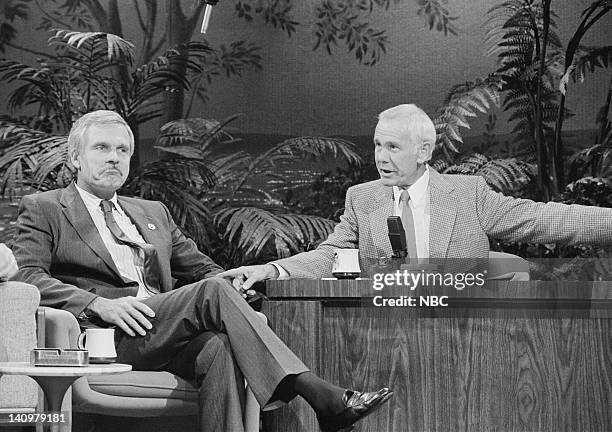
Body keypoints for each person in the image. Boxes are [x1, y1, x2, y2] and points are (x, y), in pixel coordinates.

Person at [12, 110, 392, 432]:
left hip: (164, 329)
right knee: (211, 292)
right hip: (111, 334)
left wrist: (236, 283)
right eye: (102, 148)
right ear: (76, 158)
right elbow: (27, 277)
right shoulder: (46, 208)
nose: (114, 158)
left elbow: (204, 270)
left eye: (123, 150)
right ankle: (317, 393)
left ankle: (317, 400)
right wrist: (97, 304)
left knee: (219, 347)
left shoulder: (151, 213)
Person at [219, 103, 612, 288]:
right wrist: (272, 270)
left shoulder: (467, 194)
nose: (380, 158)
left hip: (461, 327)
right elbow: (329, 254)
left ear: (424, 152)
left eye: (393, 147)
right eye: (377, 146)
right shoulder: (363, 198)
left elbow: (545, 220)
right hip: (384, 328)